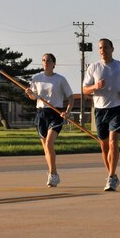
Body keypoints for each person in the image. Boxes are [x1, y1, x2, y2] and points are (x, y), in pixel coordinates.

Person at [82, 38, 120, 191]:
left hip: (118, 108)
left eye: (106, 47)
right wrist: (95, 86)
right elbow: (84, 90)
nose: (103, 50)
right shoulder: (93, 67)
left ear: (112, 49)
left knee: (114, 142)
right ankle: (112, 176)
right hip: (100, 110)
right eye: (100, 48)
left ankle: (111, 177)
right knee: (104, 146)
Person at [26, 53, 74, 187]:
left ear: (54, 64)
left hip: (56, 113)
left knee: (49, 144)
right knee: (46, 149)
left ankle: (52, 174)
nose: (45, 62)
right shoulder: (36, 78)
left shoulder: (60, 79)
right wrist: (30, 94)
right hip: (41, 113)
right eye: (43, 60)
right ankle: (53, 173)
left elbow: (70, 97)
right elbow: (34, 97)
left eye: (48, 60)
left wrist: (67, 112)